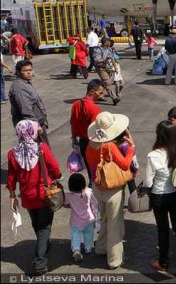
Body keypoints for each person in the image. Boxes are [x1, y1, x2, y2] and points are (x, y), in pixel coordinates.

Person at [6, 120, 62, 276]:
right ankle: (40, 262)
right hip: (44, 195)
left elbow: (11, 177)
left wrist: (12, 196)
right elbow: (55, 167)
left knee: (36, 223)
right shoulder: (41, 148)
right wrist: (57, 176)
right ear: (31, 131)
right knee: (44, 227)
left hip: (27, 197)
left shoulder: (12, 153)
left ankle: (42, 245)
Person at [85, 112, 136, 269]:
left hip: (97, 186)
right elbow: (125, 164)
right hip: (112, 189)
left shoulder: (90, 145)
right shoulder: (109, 146)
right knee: (115, 222)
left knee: (105, 218)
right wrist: (131, 147)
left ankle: (101, 248)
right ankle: (114, 259)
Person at [145, 120, 176, 273]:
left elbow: (148, 182)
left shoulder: (153, 155)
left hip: (159, 195)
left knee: (162, 230)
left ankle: (163, 262)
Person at [70, 79, 103, 184]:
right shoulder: (94, 108)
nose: (102, 95)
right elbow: (95, 129)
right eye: (100, 92)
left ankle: (91, 186)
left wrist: (74, 138)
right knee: (97, 170)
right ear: (92, 92)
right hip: (92, 143)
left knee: (90, 170)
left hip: (82, 142)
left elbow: (72, 123)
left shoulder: (75, 104)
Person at [9, 59, 50, 144]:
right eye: (25, 71)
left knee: (44, 151)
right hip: (31, 127)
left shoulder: (26, 83)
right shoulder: (19, 87)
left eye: (30, 70)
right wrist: (36, 125)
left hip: (36, 123)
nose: (29, 72)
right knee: (40, 152)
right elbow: (26, 109)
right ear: (18, 72)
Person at [64, 173, 99, 263]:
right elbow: (94, 205)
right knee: (88, 235)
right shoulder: (89, 191)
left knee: (75, 236)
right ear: (83, 183)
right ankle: (88, 248)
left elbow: (63, 202)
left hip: (76, 222)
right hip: (89, 220)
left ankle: (76, 250)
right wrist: (95, 217)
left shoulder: (69, 196)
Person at [93, 37, 120, 105]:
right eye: (109, 41)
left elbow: (112, 58)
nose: (110, 43)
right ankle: (114, 98)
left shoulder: (109, 49)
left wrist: (115, 68)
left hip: (107, 67)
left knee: (103, 84)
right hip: (100, 67)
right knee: (107, 83)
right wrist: (104, 59)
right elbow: (97, 60)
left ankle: (95, 95)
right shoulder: (98, 50)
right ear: (105, 43)